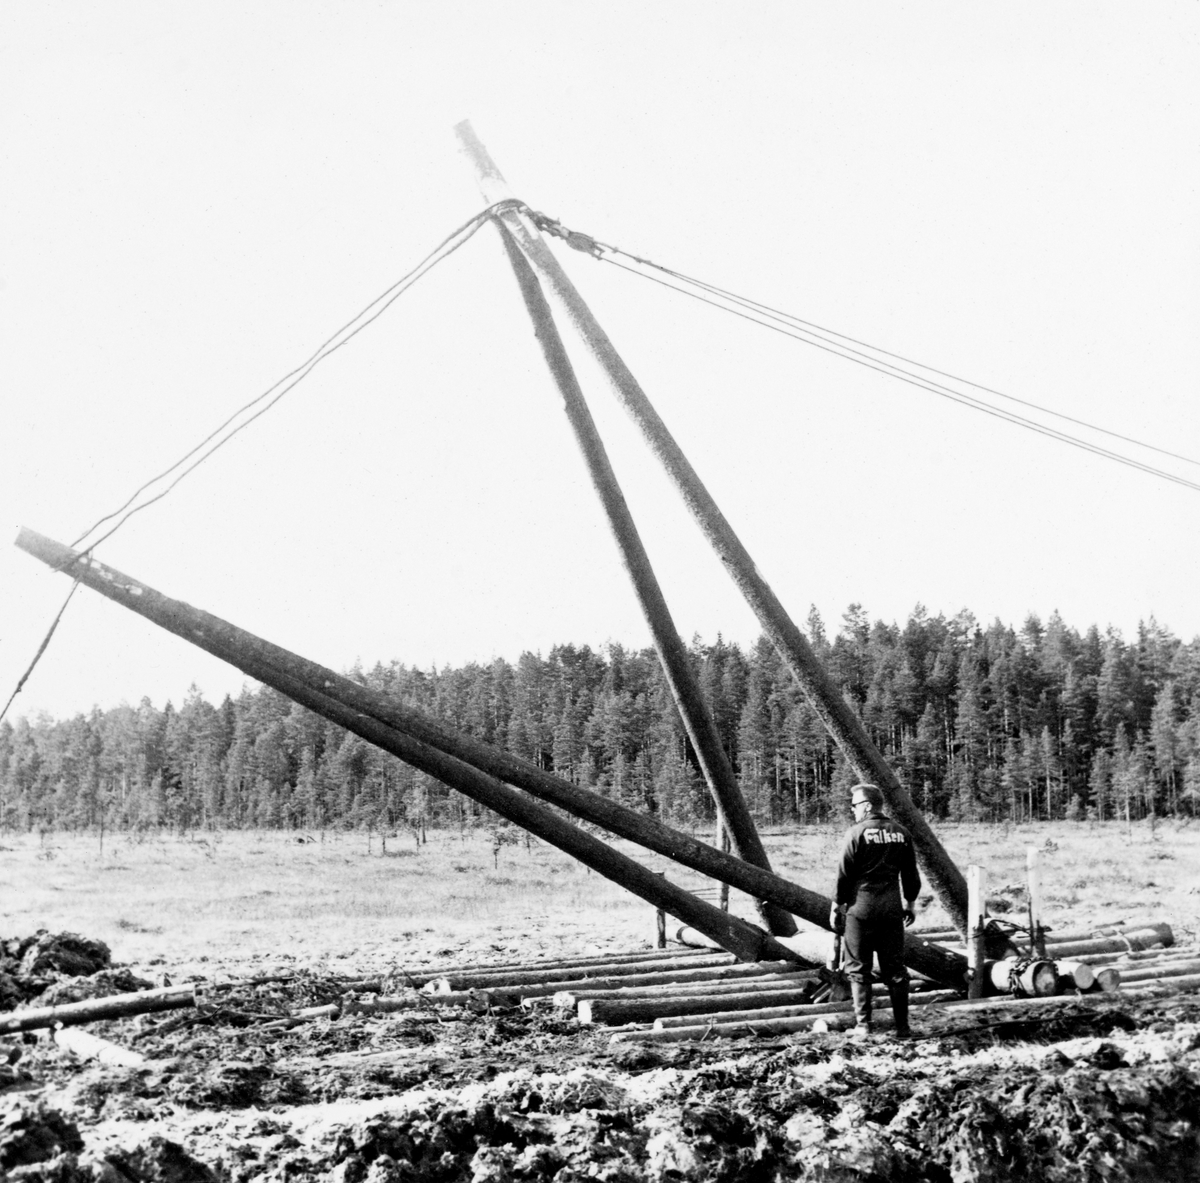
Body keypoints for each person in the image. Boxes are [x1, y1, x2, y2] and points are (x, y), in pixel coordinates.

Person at [830, 783, 921, 1038]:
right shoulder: (901, 832)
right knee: (895, 969)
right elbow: (911, 875)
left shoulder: (856, 833)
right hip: (892, 910)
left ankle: (863, 1026)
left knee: (858, 968)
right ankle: (903, 1027)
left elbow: (844, 874)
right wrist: (910, 903)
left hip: (861, 909)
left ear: (867, 806)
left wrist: (837, 905)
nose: (853, 811)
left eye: (855, 806)